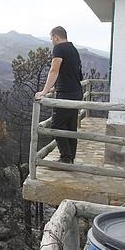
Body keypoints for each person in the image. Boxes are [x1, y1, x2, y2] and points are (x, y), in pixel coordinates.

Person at [35, 26, 83, 164]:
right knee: (70, 126)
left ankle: (65, 157)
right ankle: (70, 157)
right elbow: (73, 73)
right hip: (76, 91)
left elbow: (54, 70)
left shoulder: (59, 48)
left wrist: (44, 91)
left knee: (56, 125)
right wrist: (54, 88)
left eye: (51, 38)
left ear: (56, 37)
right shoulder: (73, 49)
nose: (51, 41)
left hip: (66, 94)